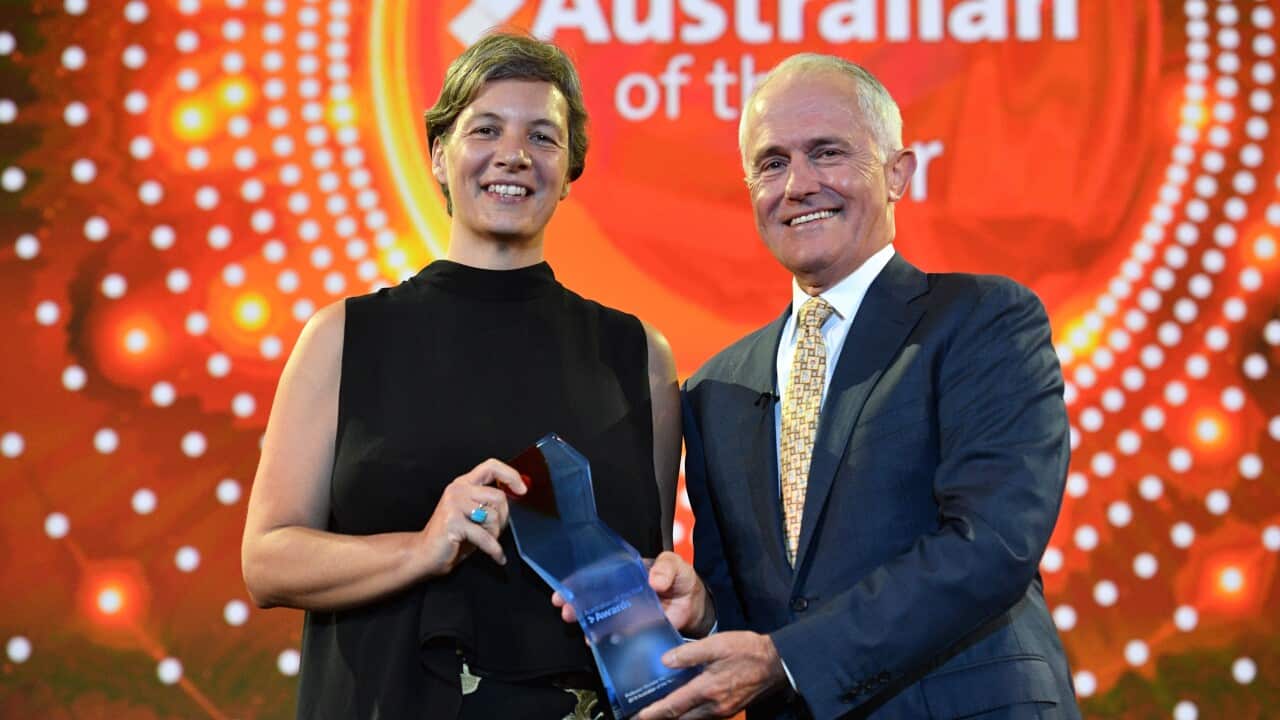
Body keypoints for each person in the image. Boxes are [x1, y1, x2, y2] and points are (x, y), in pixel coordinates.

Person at [240, 32, 681, 720]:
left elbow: (649, 584)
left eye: (543, 136)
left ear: (570, 172)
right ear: (441, 158)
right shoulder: (344, 337)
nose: (513, 154)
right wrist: (420, 548)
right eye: (485, 129)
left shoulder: (637, 354)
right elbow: (266, 561)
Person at [635, 54, 1081, 719]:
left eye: (827, 152)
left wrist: (791, 660)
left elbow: (993, 541)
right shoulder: (714, 390)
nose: (799, 185)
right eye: (772, 162)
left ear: (898, 173)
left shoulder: (984, 320)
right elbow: (757, 616)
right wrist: (702, 612)